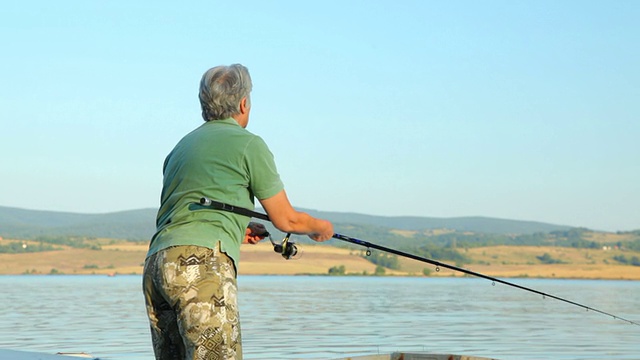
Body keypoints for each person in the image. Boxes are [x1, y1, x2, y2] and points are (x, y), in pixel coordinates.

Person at [142, 64, 334, 360]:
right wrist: (320, 226)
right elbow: (287, 219)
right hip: (202, 266)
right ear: (243, 103)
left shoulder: (181, 147)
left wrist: (237, 229)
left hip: (157, 265)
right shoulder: (249, 145)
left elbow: (186, 211)